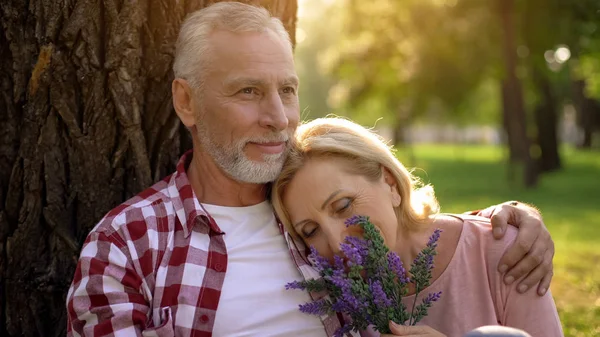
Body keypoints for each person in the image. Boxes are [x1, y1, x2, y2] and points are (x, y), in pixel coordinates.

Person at [66, 2, 556, 336]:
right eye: (248, 91)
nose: (278, 118)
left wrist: (511, 219)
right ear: (187, 101)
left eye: (287, 90)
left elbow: (408, 226)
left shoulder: (304, 210)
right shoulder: (126, 245)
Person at [271, 117, 563, 337]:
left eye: (344, 205)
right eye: (310, 231)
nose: (336, 244)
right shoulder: (337, 297)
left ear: (390, 183)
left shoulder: (506, 251)